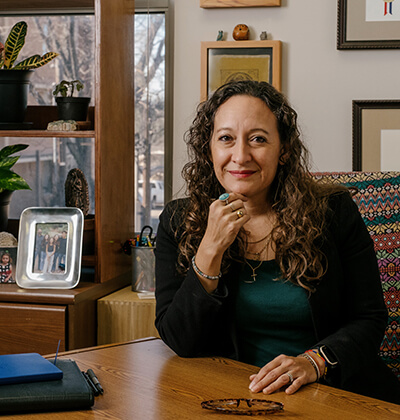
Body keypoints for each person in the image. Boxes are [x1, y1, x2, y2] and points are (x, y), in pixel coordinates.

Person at [154, 80, 400, 404]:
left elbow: (369, 318)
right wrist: (210, 249)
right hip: (232, 396)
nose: (240, 156)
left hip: (332, 393)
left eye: (258, 139)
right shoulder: (178, 221)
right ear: (209, 149)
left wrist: (316, 362)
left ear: (283, 150)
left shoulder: (334, 211)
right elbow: (180, 340)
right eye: (226, 138)